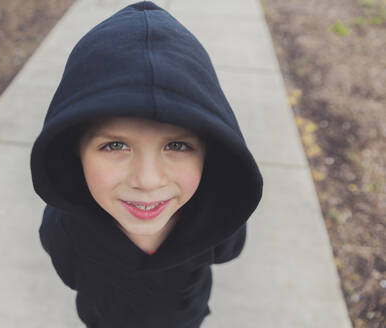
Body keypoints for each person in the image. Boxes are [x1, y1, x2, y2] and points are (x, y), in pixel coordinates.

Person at [30, 1, 264, 327]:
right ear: (74, 152)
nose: (148, 180)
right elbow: (70, 273)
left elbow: (227, 250)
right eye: (115, 145)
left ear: (211, 153)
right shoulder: (63, 227)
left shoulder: (219, 219)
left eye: (177, 145)